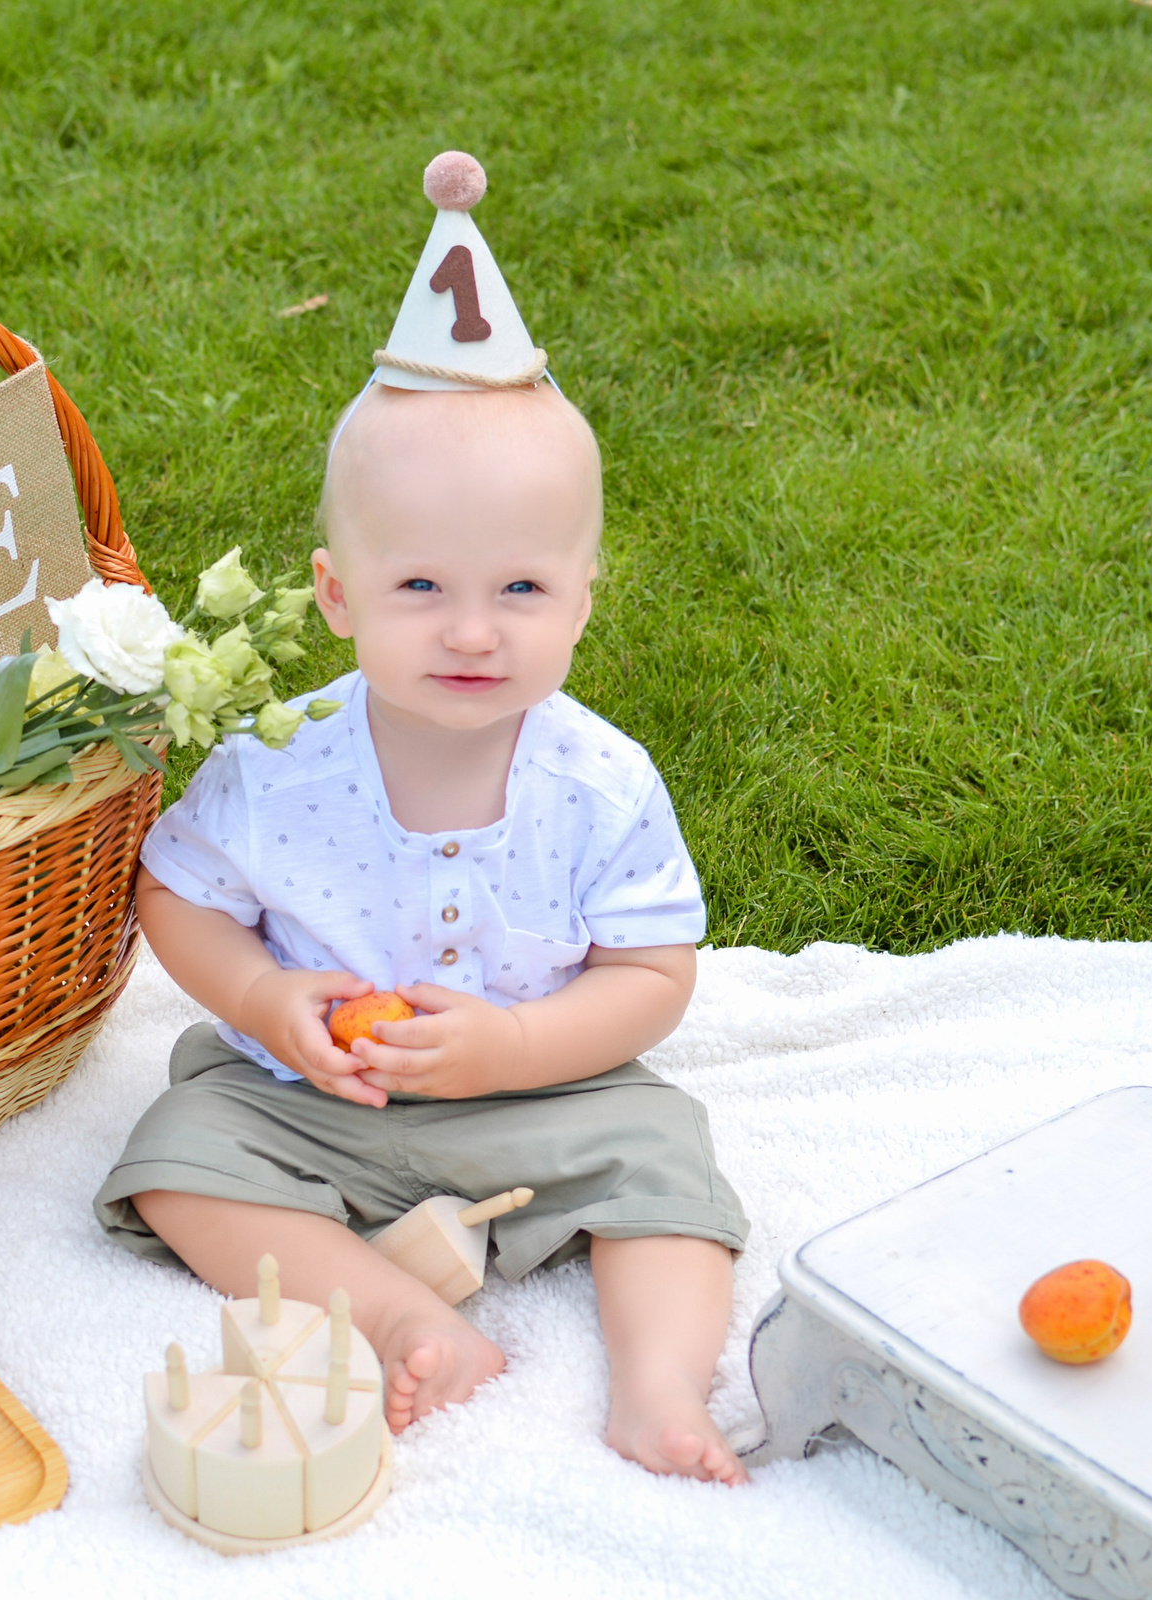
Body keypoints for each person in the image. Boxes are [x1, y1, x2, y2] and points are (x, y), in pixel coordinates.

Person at [91, 153, 747, 1485]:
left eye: (519, 586)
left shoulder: (599, 780)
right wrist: (271, 1007)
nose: (469, 629)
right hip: (316, 1093)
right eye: (421, 584)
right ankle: (401, 1317)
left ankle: (662, 1388)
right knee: (176, 1161)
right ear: (337, 594)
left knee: (666, 1158)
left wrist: (517, 1043)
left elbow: (649, 974)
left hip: (539, 1082)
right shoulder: (282, 762)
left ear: (584, 596)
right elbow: (177, 892)